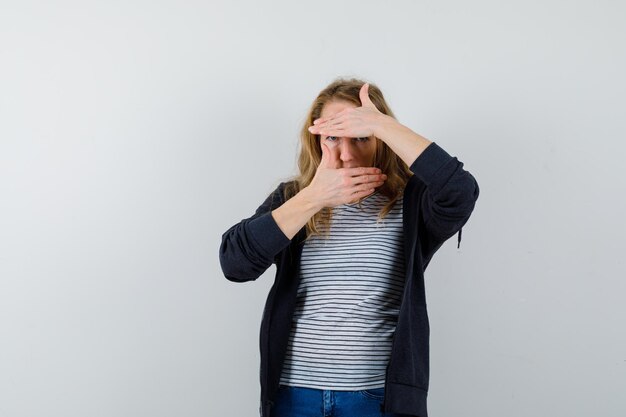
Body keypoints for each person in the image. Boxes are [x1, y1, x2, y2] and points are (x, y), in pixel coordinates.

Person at [219, 77, 480, 417]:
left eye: (361, 136)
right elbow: (234, 263)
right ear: (317, 141)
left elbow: (459, 191)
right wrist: (315, 196)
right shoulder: (294, 199)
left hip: (375, 399)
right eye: (332, 138)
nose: (346, 154)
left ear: (381, 139)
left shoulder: (412, 201)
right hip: (294, 396)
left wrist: (381, 122)